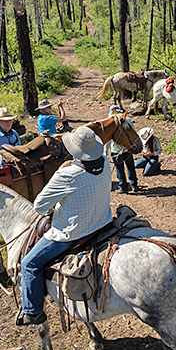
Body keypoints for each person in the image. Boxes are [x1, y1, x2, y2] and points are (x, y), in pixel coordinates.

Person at [17, 126, 112, 326]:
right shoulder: (104, 161)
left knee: (29, 264)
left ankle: (32, 311)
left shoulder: (67, 174)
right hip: (101, 222)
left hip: (70, 233)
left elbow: (40, 206)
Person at [104, 105, 138, 193]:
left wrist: (106, 150)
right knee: (130, 167)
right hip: (127, 148)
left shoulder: (112, 122)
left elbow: (108, 137)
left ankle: (123, 187)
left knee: (120, 169)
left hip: (116, 150)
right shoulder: (128, 120)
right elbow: (132, 133)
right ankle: (134, 185)